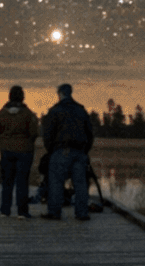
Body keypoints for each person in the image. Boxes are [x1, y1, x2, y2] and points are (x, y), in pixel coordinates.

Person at [40, 83, 93, 221]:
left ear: (60, 94)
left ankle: (54, 212)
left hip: (61, 151)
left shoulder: (55, 110)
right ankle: (82, 214)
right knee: (80, 184)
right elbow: (90, 134)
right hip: (80, 152)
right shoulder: (81, 110)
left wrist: (51, 151)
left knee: (56, 182)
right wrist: (85, 151)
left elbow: (47, 134)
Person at [0, 85, 39, 218]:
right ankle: (22, 212)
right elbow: (34, 132)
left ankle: (4, 211)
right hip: (24, 151)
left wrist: (4, 141)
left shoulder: (2, 113)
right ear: (22, 97)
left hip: (6, 151)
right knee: (22, 182)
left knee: (7, 182)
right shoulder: (27, 114)